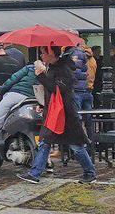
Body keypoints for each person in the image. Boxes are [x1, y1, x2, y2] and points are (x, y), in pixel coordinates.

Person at [18, 47, 97, 184]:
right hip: (54, 112)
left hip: (65, 114)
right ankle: (35, 173)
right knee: (45, 142)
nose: (41, 55)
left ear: (52, 54)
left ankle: (90, 172)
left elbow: (57, 89)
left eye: (43, 52)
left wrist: (40, 75)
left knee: (76, 146)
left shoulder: (63, 69)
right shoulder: (55, 67)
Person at [69, 46, 94, 112]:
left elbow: (75, 71)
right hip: (86, 88)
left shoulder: (72, 53)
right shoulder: (85, 54)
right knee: (88, 115)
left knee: (77, 115)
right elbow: (85, 70)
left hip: (76, 89)